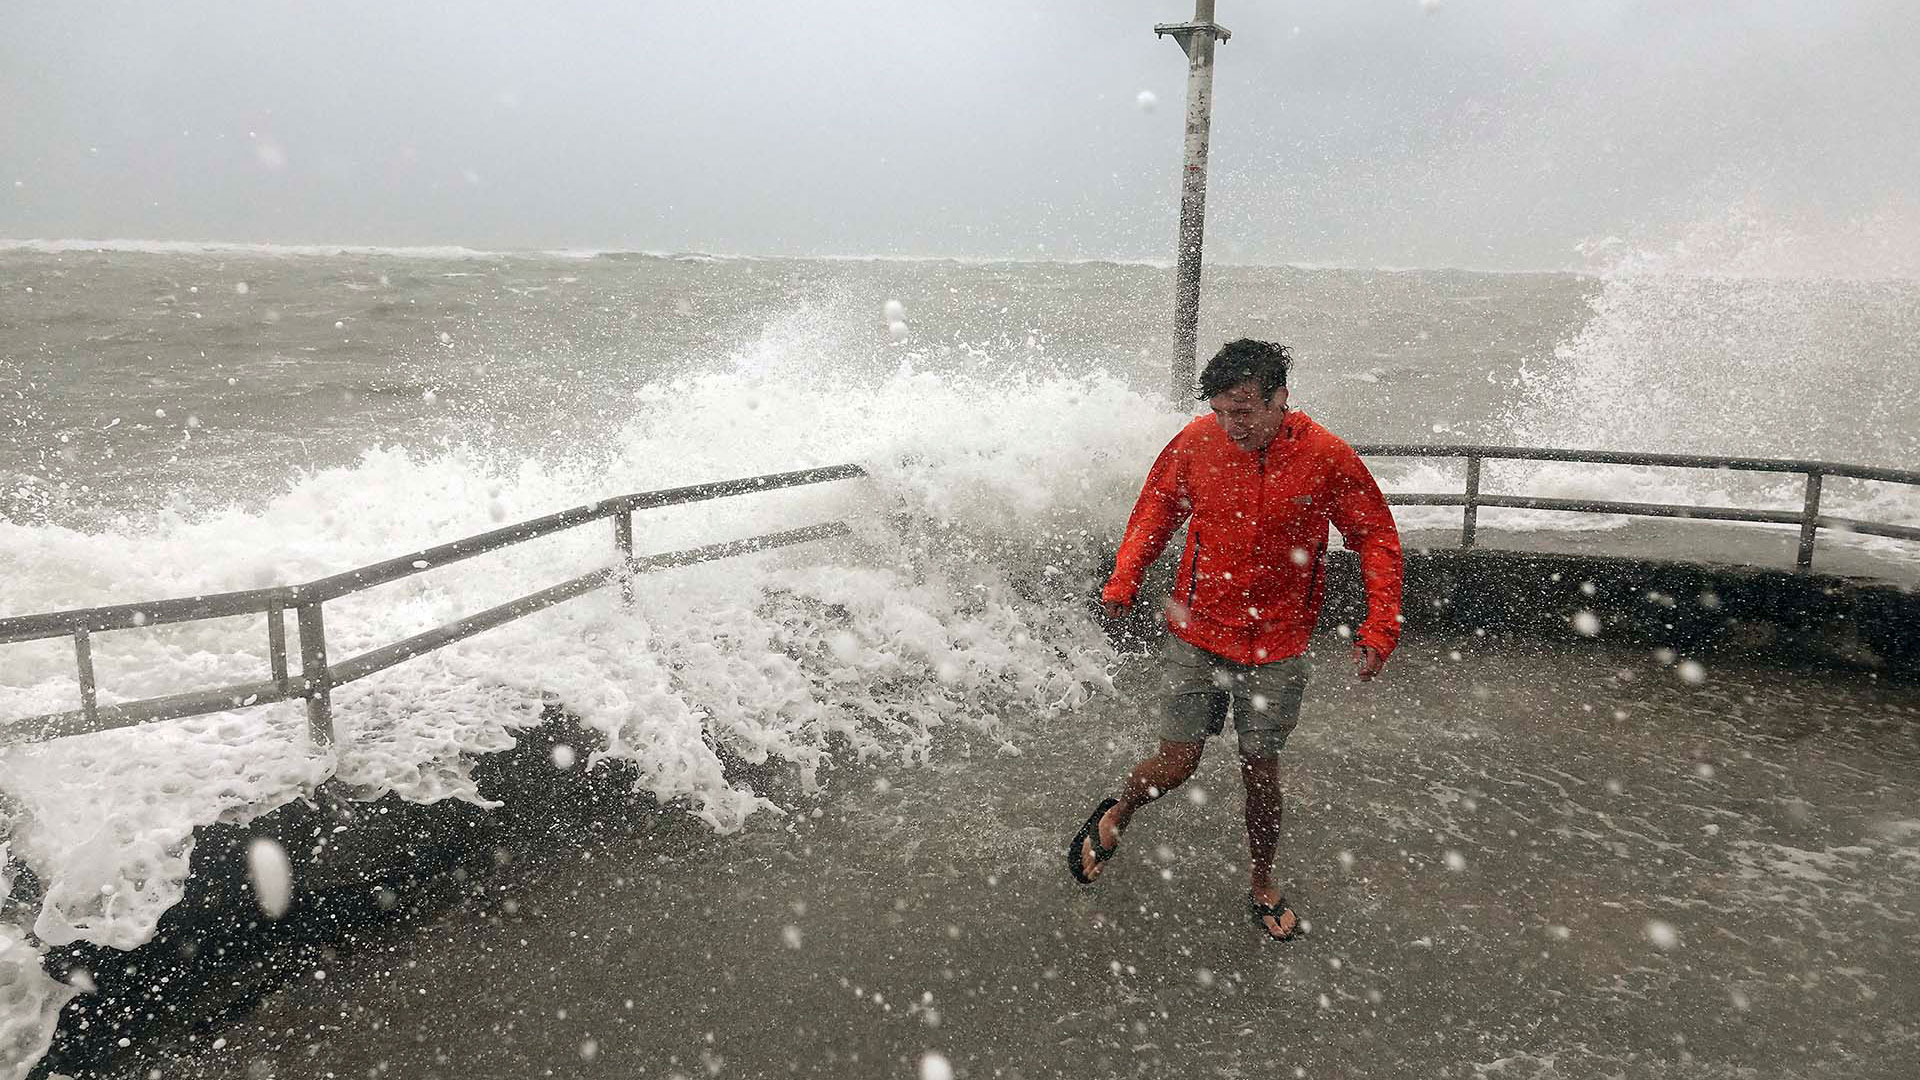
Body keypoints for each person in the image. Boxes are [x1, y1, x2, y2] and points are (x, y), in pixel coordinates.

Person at [1069, 338, 1403, 942]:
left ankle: (1262, 882)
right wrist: (1122, 584)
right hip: (1197, 633)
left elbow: (1376, 536)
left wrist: (1382, 625)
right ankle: (1116, 812)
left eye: (1245, 410)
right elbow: (1154, 513)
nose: (1231, 425)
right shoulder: (1197, 443)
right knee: (1175, 766)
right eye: (1221, 410)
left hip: (1278, 646)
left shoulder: (1326, 456)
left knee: (1260, 774)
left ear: (1281, 399)